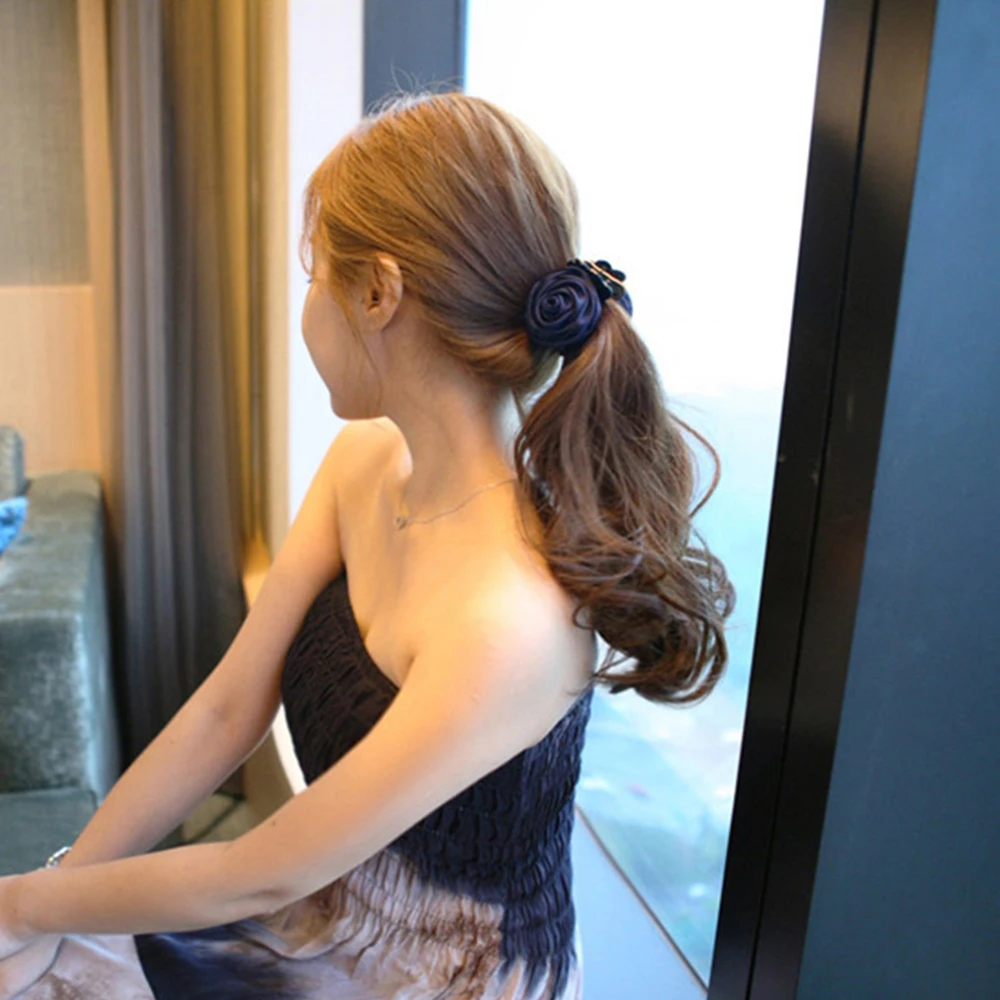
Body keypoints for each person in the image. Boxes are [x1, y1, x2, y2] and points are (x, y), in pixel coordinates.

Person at [0, 91, 734, 999]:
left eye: (315, 275)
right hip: (324, 907)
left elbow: (262, 874)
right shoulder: (365, 462)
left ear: (378, 291)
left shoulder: (509, 618)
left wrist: (22, 906)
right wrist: (51, 901)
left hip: (447, 973)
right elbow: (226, 712)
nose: (308, 307)